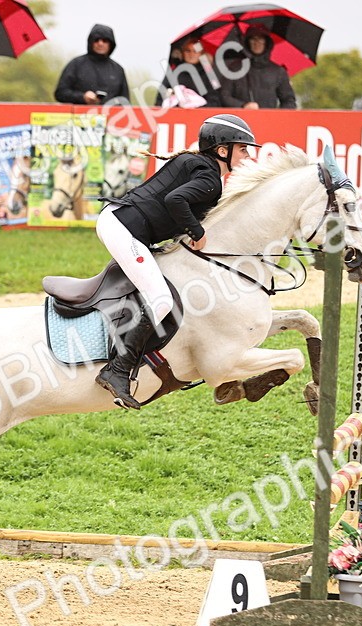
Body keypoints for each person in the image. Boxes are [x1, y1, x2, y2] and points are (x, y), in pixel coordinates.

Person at [94, 113, 260, 409]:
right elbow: (175, 201)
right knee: (160, 300)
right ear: (223, 151)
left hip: (122, 222)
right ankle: (117, 370)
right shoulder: (210, 178)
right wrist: (197, 232)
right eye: (243, 149)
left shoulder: (201, 165)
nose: (248, 156)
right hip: (123, 229)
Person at [54, 24, 130, 105]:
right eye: (96, 40)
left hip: (109, 112)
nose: (100, 43)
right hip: (80, 112)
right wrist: (82, 97)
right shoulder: (76, 64)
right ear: (91, 42)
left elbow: (125, 102)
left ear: (110, 44)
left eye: (105, 40)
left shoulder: (118, 70)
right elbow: (60, 93)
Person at [226, 25, 296, 110]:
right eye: (253, 39)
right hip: (240, 117)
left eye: (261, 38)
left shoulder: (278, 71)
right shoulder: (234, 68)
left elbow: (288, 100)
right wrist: (243, 105)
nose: (257, 42)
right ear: (247, 42)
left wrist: (277, 116)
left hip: (269, 118)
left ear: (267, 42)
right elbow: (225, 96)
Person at [156, 38, 228, 108]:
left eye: (195, 51)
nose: (191, 54)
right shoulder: (173, 74)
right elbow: (159, 99)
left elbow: (215, 101)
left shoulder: (210, 75)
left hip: (200, 114)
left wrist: (195, 108)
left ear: (201, 53)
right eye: (188, 51)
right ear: (182, 53)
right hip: (176, 114)